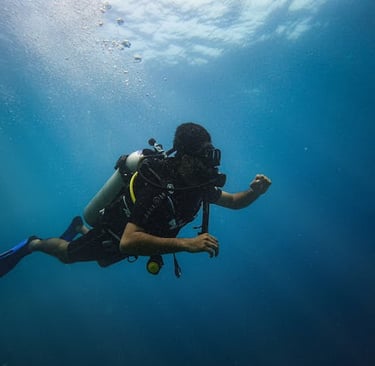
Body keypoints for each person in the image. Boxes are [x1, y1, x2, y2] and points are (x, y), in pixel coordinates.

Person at [0, 122, 271, 277]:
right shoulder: (161, 185)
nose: (209, 166)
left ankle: (79, 228)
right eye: (203, 156)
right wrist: (187, 243)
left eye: (211, 155)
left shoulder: (196, 185)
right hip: (115, 231)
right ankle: (33, 244)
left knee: (105, 262)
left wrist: (255, 193)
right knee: (66, 256)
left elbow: (234, 201)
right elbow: (129, 241)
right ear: (185, 157)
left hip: (137, 237)